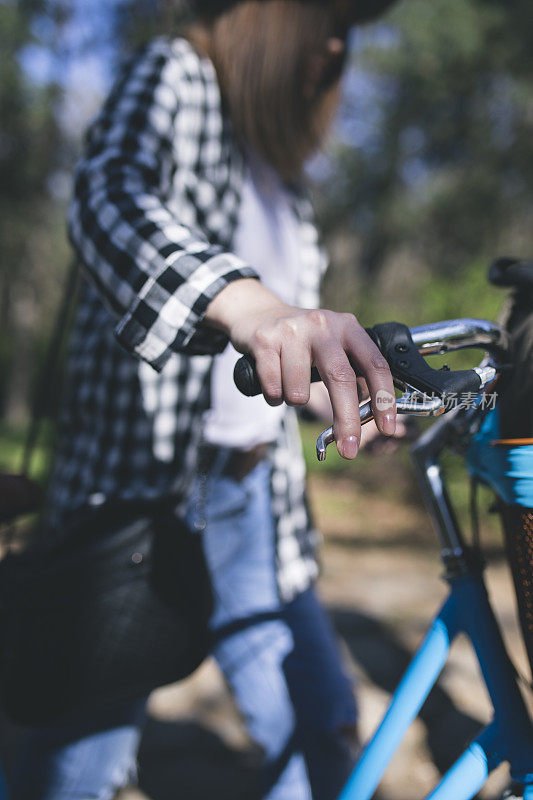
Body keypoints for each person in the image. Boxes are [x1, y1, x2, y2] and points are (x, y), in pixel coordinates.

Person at [10, 1, 400, 799]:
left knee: (318, 715)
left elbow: (270, 359)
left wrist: (333, 395)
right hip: (145, 494)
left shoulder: (280, 169)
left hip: (255, 492)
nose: (335, 41)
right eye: (327, 13)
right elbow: (106, 195)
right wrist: (242, 299)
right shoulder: (177, 74)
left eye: (350, 28)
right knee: (83, 746)